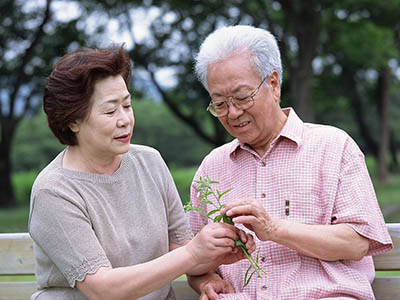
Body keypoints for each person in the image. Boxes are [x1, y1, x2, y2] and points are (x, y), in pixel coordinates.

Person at [28, 45, 255, 300]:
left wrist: (217, 251)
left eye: (127, 105)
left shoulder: (150, 161)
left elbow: (182, 250)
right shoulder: (54, 191)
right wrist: (193, 253)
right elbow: (103, 289)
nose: (125, 119)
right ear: (72, 121)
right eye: (110, 111)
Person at [187, 25, 393, 300]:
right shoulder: (212, 168)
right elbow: (193, 258)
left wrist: (274, 230)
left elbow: (357, 243)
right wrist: (206, 281)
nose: (233, 113)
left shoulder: (333, 147)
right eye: (220, 103)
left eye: (242, 97)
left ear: (273, 84)